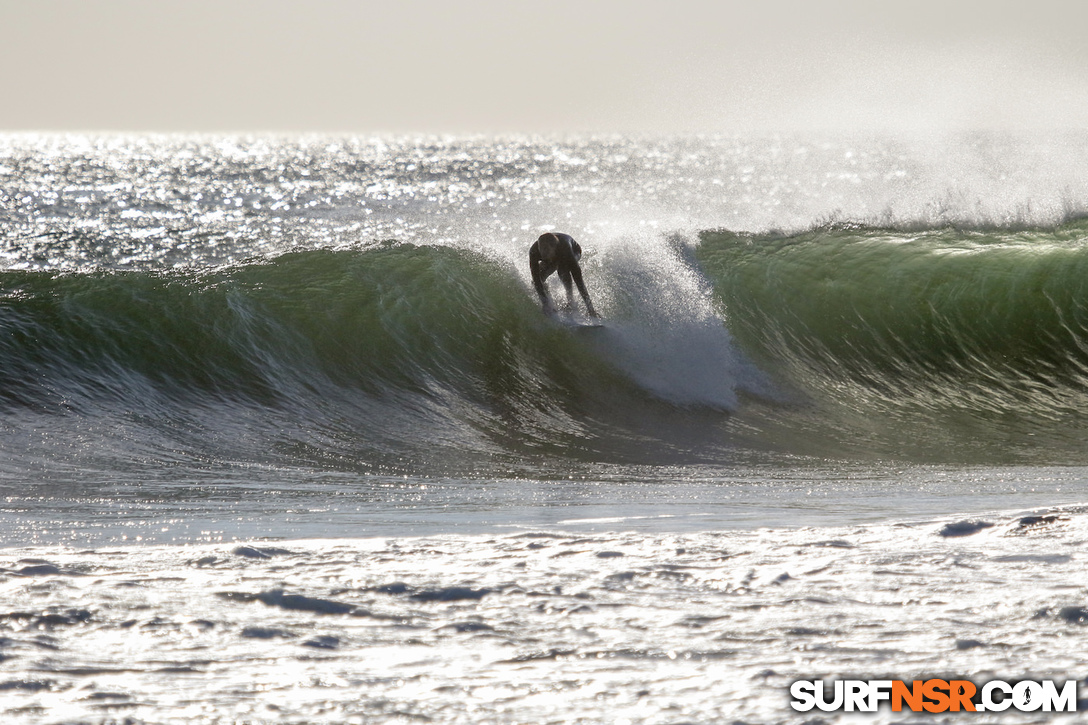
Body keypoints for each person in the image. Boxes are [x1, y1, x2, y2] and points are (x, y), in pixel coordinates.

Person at [528, 232, 598, 318]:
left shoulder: (565, 249)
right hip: (556, 253)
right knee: (538, 279)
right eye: (542, 251)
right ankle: (550, 302)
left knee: (562, 269)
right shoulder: (534, 252)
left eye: (547, 251)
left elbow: (579, 281)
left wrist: (590, 309)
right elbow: (536, 279)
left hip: (574, 250)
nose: (544, 254)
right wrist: (545, 303)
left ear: (554, 248)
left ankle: (570, 302)